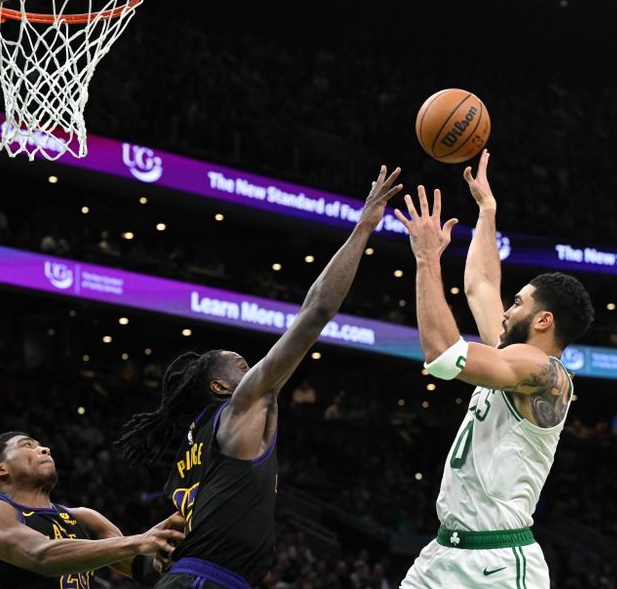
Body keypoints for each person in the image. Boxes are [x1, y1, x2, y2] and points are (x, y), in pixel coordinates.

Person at [116, 166, 405, 589]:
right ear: (220, 387)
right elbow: (316, 311)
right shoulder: (241, 406)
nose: (253, 368)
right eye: (241, 364)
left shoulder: (192, 450)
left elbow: (175, 530)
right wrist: (364, 227)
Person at [394, 150, 594, 588]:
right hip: (444, 551)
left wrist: (427, 260)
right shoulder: (510, 353)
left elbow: (445, 356)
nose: (506, 310)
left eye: (519, 302)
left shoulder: (544, 371)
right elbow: (480, 285)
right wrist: (487, 210)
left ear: (544, 321)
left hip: (497, 565)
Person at [0, 432, 185, 589]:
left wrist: (174, 546)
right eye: (27, 445)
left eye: (40, 445)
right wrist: (140, 540)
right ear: (0, 469)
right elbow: (40, 554)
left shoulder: (84, 518)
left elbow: (144, 570)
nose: (44, 448)